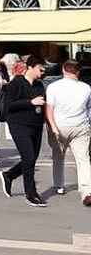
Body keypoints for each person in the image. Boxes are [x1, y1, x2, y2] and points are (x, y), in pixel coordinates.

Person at [0, 55, 49, 207]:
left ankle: (9, 175)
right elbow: (9, 106)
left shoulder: (39, 85)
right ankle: (31, 194)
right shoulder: (16, 84)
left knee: (31, 159)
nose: (42, 72)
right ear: (30, 68)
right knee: (29, 157)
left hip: (36, 126)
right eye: (40, 69)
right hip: (19, 125)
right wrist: (30, 102)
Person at [44, 59, 91, 206]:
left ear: (64, 70)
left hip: (59, 126)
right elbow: (88, 108)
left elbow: (49, 109)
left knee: (58, 156)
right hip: (80, 126)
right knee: (83, 159)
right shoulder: (86, 88)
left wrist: (53, 126)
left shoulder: (53, 87)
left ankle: (59, 185)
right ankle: (87, 191)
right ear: (78, 72)